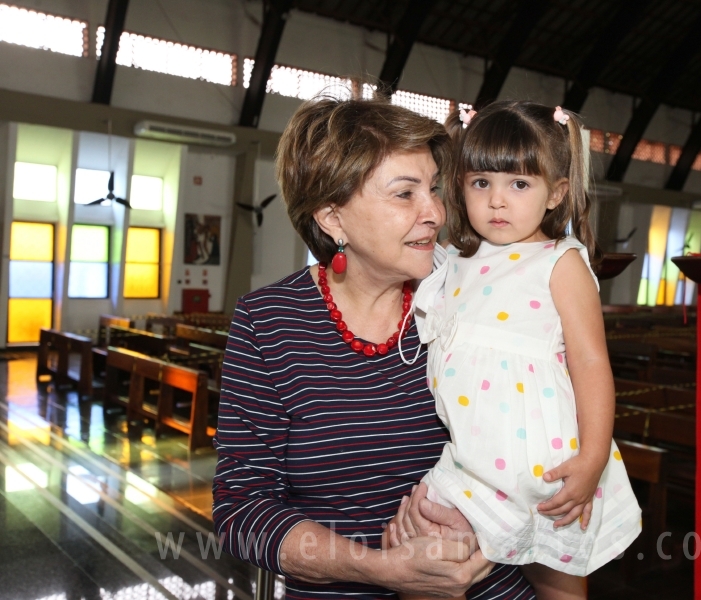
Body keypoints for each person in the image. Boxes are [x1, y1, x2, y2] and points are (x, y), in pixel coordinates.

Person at [212, 97, 536, 599]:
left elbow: (543, 441)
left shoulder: (473, 297)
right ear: (332, 218)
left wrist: (489, 532)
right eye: (404, 194)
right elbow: (242, 510)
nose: (434, 213)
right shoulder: (269, 323)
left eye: (433, 189)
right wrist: (382, 569)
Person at [392, 101, 642, 599]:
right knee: (421, 564)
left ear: (557, 194)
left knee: (560, 586)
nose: (498, 202)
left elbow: (591, 363)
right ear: (460, 186)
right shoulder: (454, 264)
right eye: (481, 183)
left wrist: (592, 458)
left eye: (519, 184)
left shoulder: (559, 262)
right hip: (469, 462)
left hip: (545, 467)